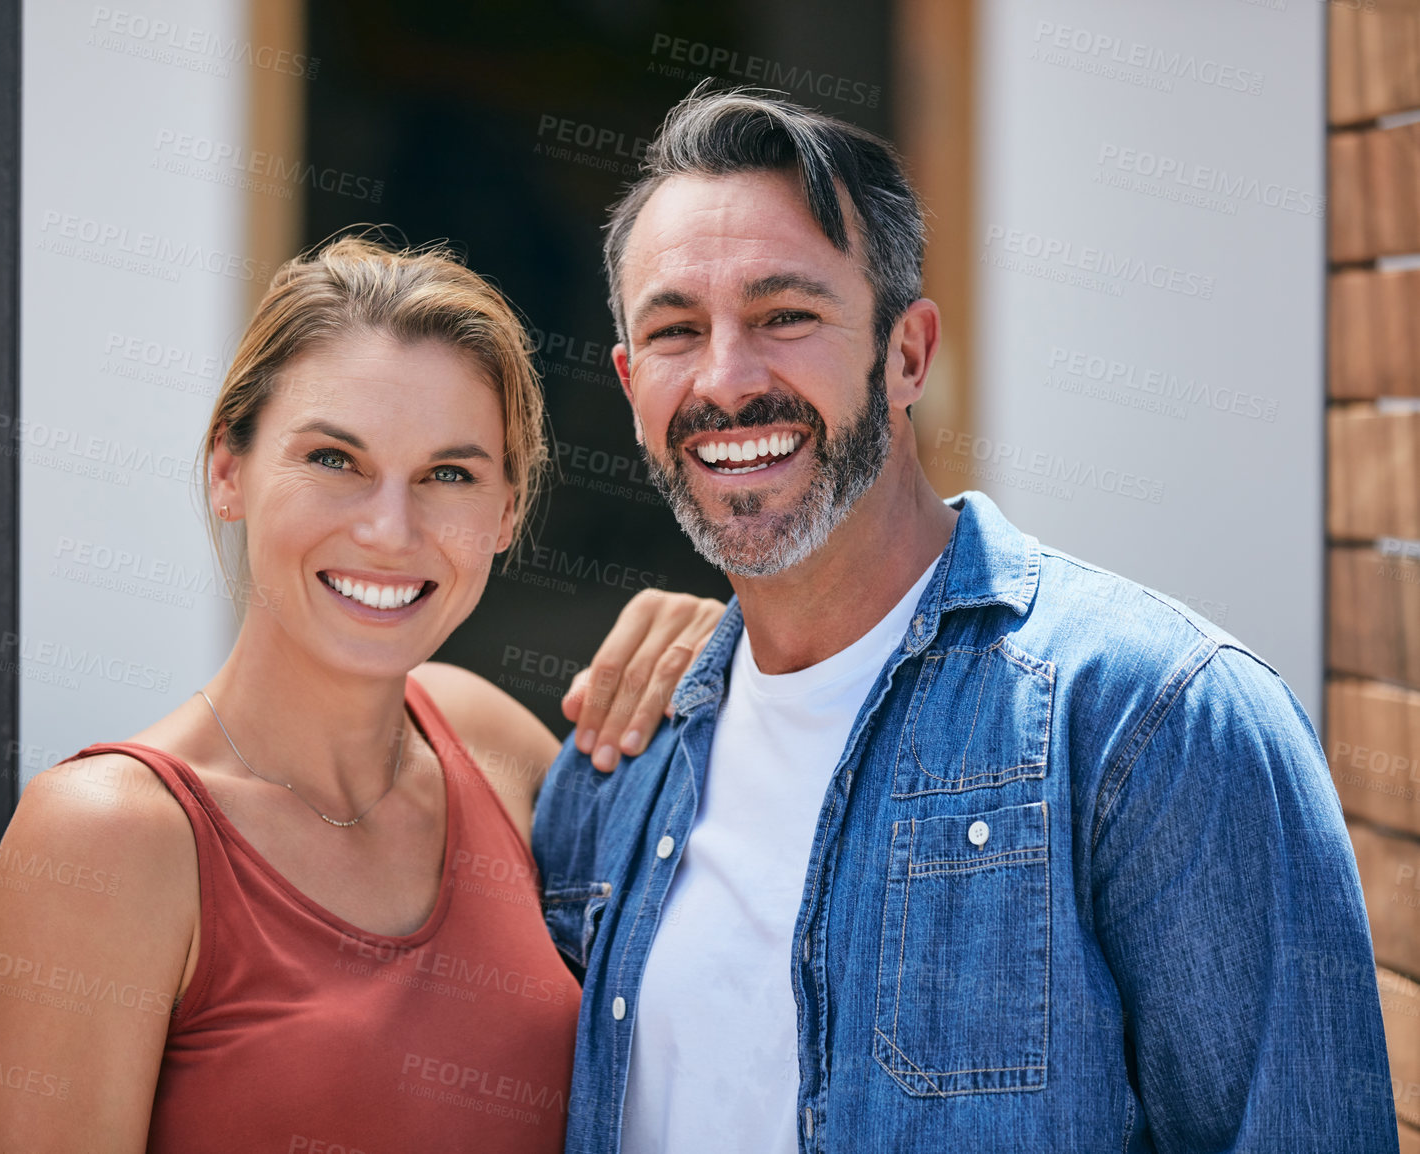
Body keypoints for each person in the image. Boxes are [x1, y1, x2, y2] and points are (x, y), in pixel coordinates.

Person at [532, 87, 1397, 1152]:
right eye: (675, 330)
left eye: (785, 315)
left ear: (907, 353)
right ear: (629, 383)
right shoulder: (620, 768)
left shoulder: (1156, 721)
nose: (726, 378)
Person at [0, 235, 722, 1153]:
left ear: (507, 513)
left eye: (449, 474)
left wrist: (730, 652)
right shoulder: (109, 836)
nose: (388, 529)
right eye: (333, 459)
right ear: (227, 469)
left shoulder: (485, 740)